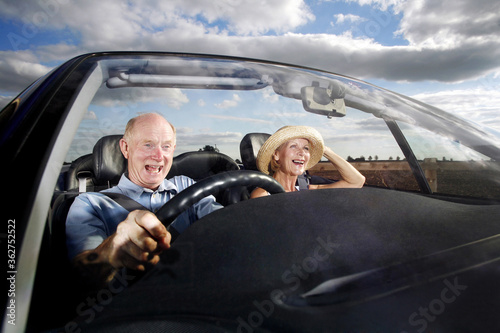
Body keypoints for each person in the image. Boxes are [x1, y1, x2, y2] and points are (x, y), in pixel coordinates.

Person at [66, 113, 222, 288]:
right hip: (132, 308)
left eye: (166, 146)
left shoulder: (187, 186)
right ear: (125, 148)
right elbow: (81, 277)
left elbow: (225, 223)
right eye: (148, 145)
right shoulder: (90, 203)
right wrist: (111, 250)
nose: (158, 156)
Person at [251, 126, 365, 198]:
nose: (302, 153)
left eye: (306, 148)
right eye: (293, 146)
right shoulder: (263, 194)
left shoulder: (307, 190)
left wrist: (325, 151)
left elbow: (356, 182)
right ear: (276, 155)